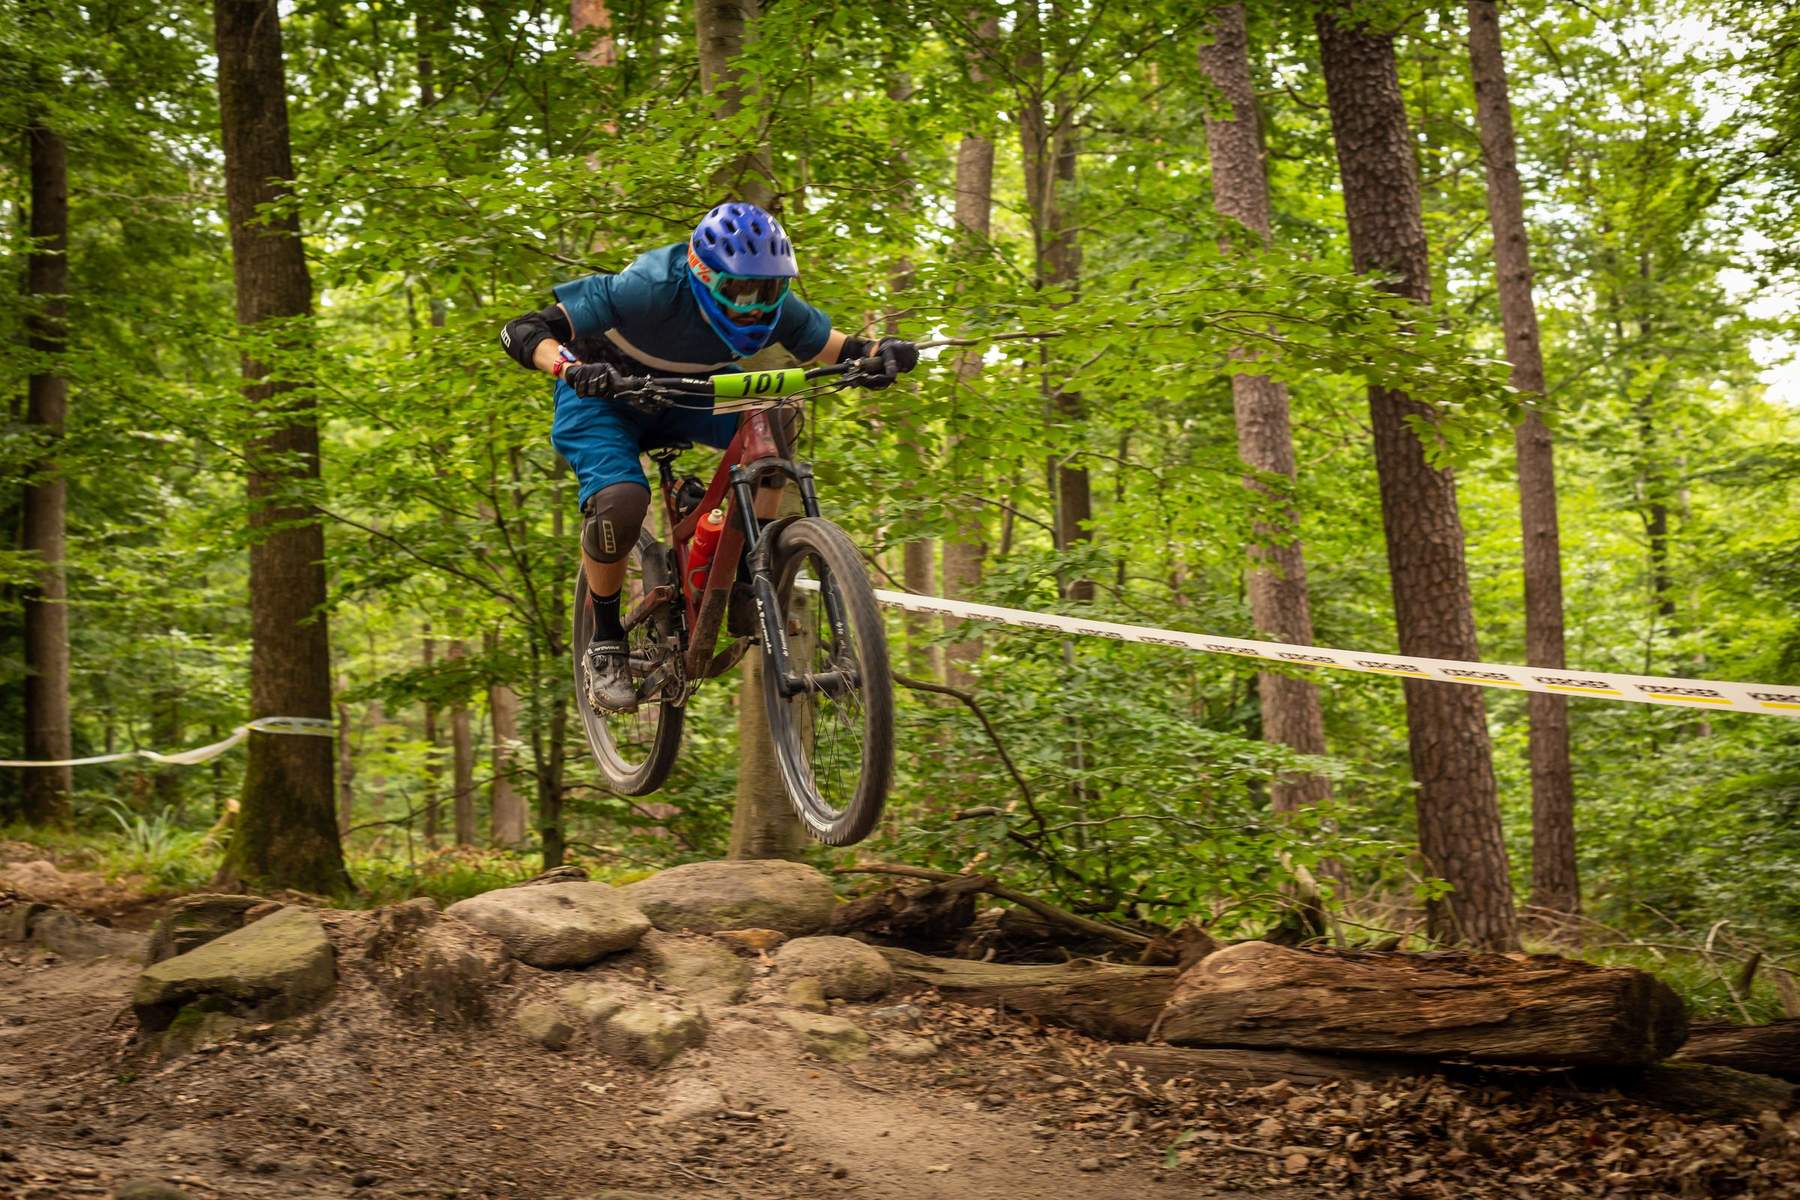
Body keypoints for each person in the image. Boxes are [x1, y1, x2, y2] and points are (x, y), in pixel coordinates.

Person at [499, 201, 918, 714]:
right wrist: (569, 368)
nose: (756, 307)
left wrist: (879, 353)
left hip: (691, 393)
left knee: (776, 416)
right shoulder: (649, 287)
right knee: (621, 503)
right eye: (742, 292)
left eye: (769, 291)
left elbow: (837, 347)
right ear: (702, 275)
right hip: (603, 397)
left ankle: (745, 580)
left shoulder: (774, 306)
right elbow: (524, 329)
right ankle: (605, 643)